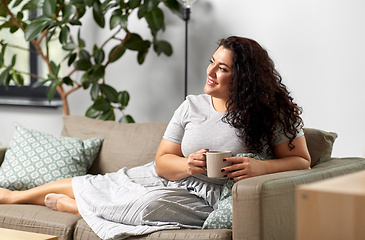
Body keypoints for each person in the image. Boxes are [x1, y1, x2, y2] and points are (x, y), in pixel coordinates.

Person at [0, 36, 311, 239]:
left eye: (223, 68)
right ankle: (15, 197)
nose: (211, 71)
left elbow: (302, 161)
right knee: (101, 183)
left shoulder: (273, 113)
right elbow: (163, 162)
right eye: (212, 62)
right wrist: (187, 165)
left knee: (147, 205)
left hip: (209, 196)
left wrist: (258, 168)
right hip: (170, 177)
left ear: (244, 77)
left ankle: (78, 209)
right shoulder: (191, 105)